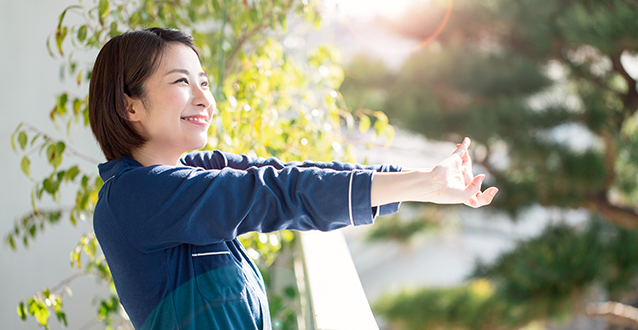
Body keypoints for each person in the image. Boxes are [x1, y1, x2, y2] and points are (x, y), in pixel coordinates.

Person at [89, 28, 498, 330]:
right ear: (129, 107)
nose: (204, 99)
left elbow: (290, 176)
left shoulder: (195, 169)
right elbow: (277, 194)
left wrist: (425, 182)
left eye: (204, 82)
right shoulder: (131, 196)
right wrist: (422, 185)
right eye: (181, 81)